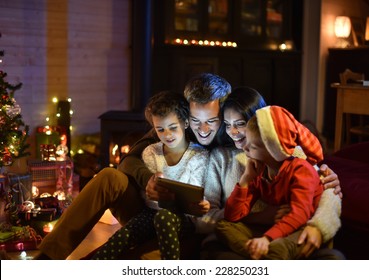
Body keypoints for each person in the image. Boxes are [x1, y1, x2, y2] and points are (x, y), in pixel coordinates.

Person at [36, 73, 340, 260]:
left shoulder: (240, 135)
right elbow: (131, 157)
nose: (204, 130)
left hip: (193, 225)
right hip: (149, 208)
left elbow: (295, 157)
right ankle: (48, 259)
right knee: (109, 177)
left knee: (142, 259)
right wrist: (147, 180)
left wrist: (325, 175)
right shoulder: (179, 124)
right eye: (196, 121)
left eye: (213, 120)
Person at [201, 87, 342, 260]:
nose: (233, 132)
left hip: (293, 228)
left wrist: (318, 228)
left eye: (240, 124)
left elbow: (324, 198)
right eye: (228, 125)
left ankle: (266, 256)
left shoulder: (293, 157)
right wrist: (257, 210)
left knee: (332, 258)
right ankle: (264, 256)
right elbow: (222, 216)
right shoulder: (247, 165)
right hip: (254, 231)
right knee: (218, 238)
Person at [91, 91, 210, 260]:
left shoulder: (198, 156)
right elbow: (147, 196)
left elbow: (197, 192)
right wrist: (153, 189)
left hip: (182, 219)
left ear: (185, 123)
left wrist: (199, 204)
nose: (167, 135)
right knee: (120, 238)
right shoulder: (151, 152)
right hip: (151, 213)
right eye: (160, 130)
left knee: (164, 217)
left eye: (172, 128)